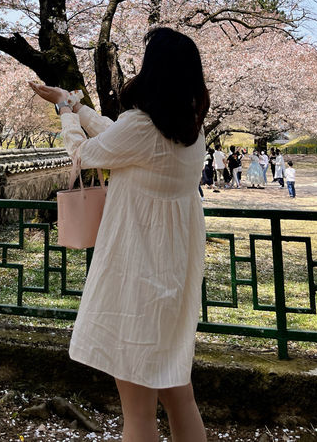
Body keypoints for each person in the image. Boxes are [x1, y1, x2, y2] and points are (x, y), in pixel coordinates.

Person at [29, 26, 209, 442]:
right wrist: (75, 103)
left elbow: (85, 153)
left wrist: (66, 115)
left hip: (138, 274)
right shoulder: (191, 131)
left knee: (138, 411)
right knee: (179, 394)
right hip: (175, 273)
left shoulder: (142, 127)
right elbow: (118, 135)